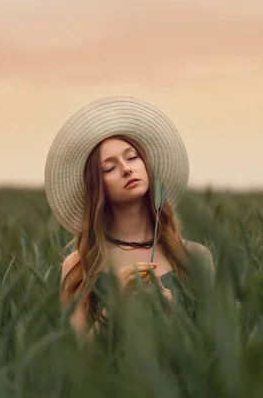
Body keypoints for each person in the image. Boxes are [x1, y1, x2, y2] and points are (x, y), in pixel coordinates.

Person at [44, 96, 215, 342]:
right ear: (97, 186)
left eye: (132, 157)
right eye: (109, 168)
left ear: (147, 165)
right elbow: (78, 360)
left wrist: (171, 315)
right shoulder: (80, 266)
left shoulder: (197, 258)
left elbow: (212, 352)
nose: (126, 168)